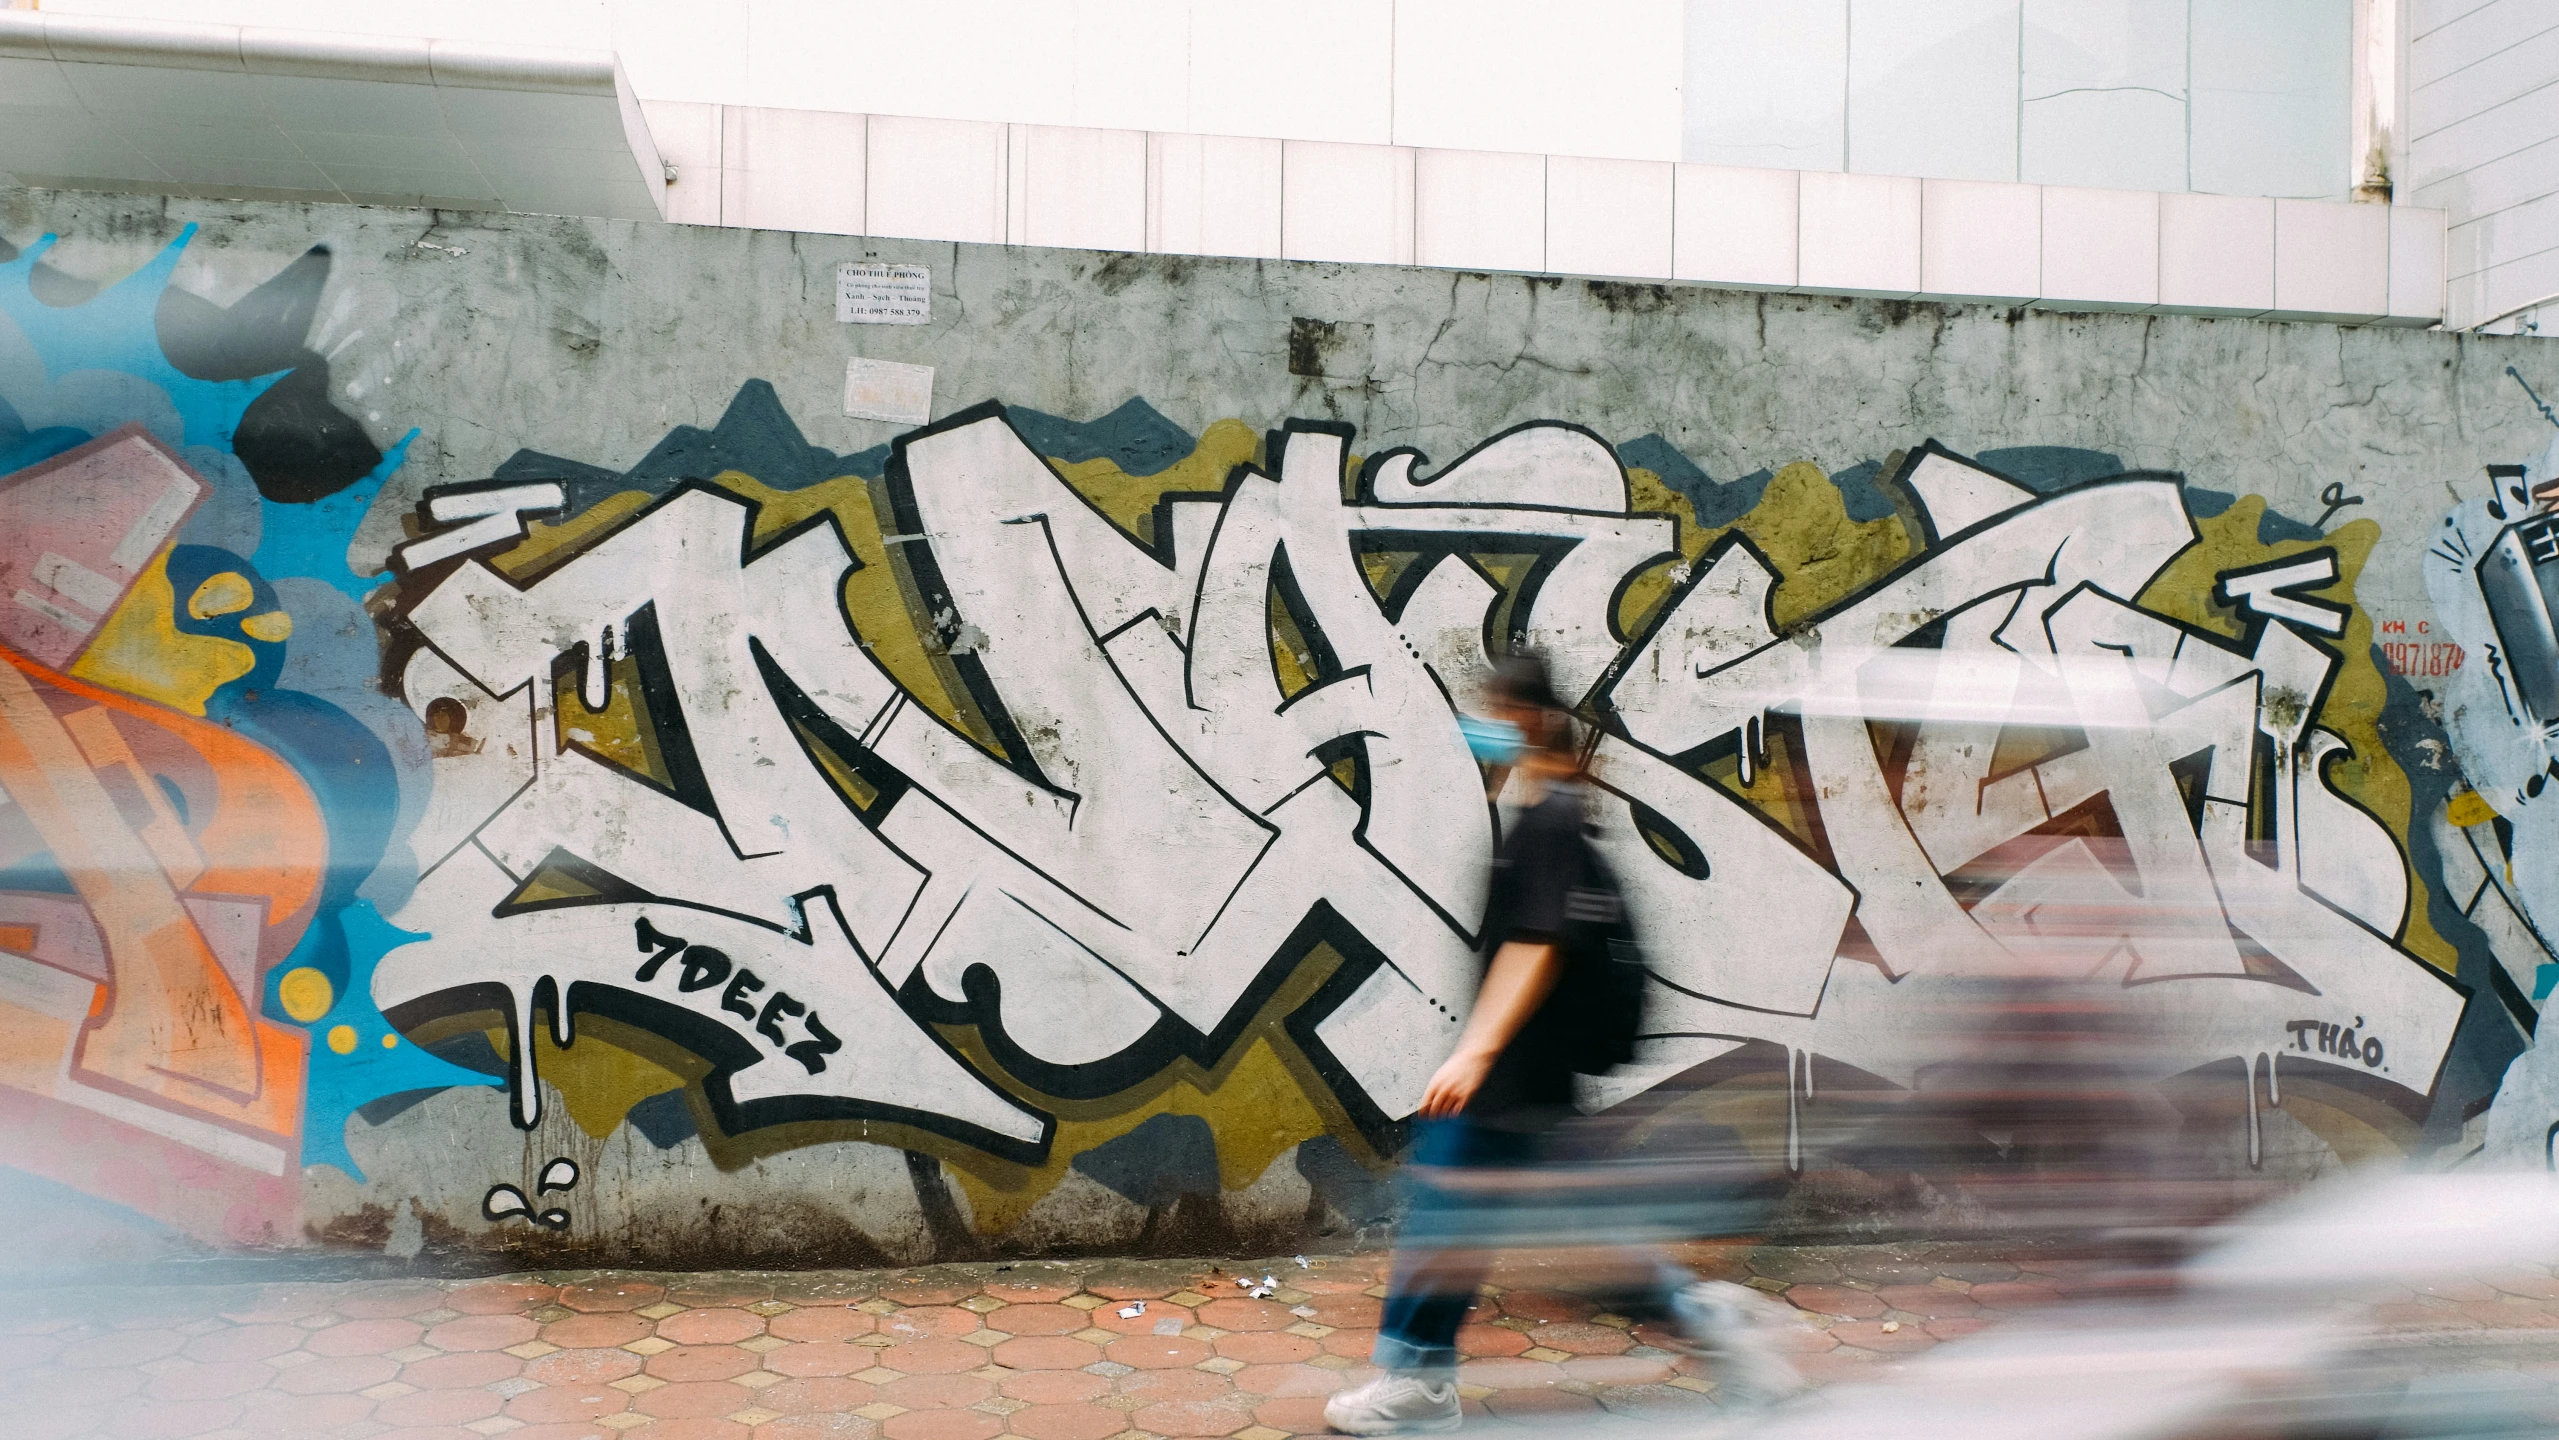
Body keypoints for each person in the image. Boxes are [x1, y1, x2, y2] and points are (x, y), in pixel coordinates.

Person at [1323, 653, 1802, 1436]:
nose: (1475, 734)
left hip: (1512, 1076)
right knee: (1554, 1229)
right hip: (1530, 1078)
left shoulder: (1547, 822)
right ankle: (1711, 1322)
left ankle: (1415, 1382)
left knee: (1444, 1211)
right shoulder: (1555, 811)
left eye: (1487, 715)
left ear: (1523, 718)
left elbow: (1537, 942)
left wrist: (1474, 1052)